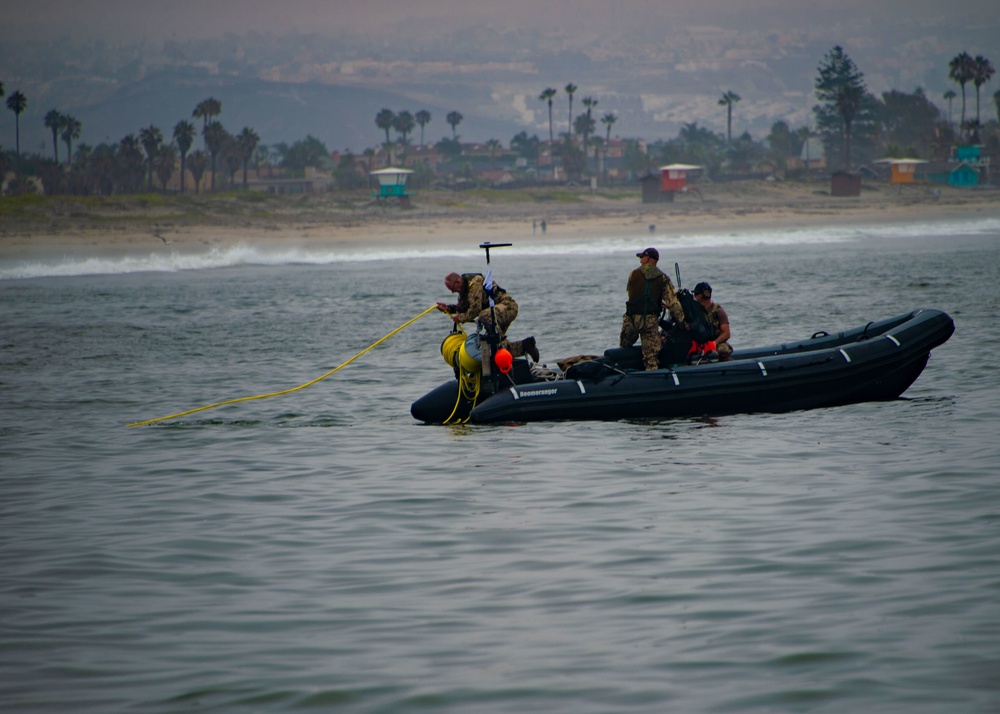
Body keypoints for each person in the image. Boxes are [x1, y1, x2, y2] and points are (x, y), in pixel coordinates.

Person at [436, 272, 539, 362]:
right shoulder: (464, 290)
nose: (453, 292)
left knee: (484, 315)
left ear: (458, 282)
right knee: (493, 348)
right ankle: (525, 346)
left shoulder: (475, 282)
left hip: (507, 307)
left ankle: (501, 343)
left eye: (452, 289)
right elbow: (462, 307)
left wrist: (461, 319)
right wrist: (448, 309)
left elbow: (475, 309)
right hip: (494, 313)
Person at [620, 247, 685, 371]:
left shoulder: (633, 273)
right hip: (650, 321)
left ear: (647, 258)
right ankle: (653, 379)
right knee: (651, 358)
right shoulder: (663, 278)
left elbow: (633, 295)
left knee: (624, 348)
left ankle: (622, 374)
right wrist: (682, 322)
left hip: (632, 319)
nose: (640, 261)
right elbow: (673, 303)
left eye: (642, 258)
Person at [693, 282, 732, 361]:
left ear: (701, 295)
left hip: (716, 342)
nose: (694, 296)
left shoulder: (718, 311)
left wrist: (714, 343)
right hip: (700, 342)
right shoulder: (696, 312)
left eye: (696, 294)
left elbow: (726, 333)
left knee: (722, 350)